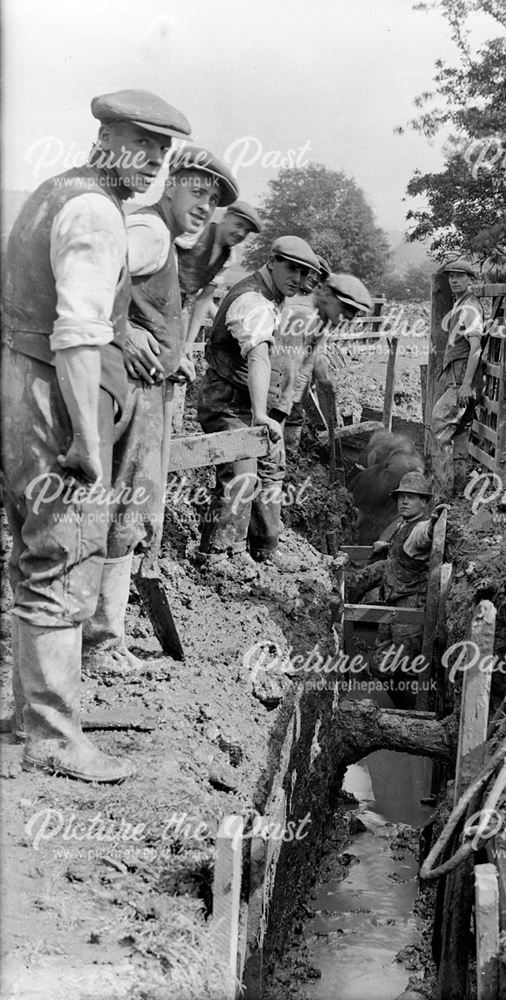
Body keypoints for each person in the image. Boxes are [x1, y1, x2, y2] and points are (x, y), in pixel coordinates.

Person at [1, 89, 191, 781]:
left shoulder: (60, 192)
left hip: (25, 379)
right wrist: (86, 438)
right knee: (59, 554)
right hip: (54, 392)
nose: (152, 164)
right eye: (141, 146)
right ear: (106, 137)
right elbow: (79, 334)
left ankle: (32, 715)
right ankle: (52, 733)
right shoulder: (93, 212)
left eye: (162, 152)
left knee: (37, 550)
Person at [82, 146, 238, 676]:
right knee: (121, 511)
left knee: (127, 512)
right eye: (198, 192)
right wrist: (123, 332)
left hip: (146, 389)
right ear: (170, 184)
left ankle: (107, 636)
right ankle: (100, 642)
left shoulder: (163, 239)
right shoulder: (148, 233)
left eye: (213, 201)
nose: (204, 207)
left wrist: (173, 360)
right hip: (126, 390)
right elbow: (90, 274)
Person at [197, 235, 320, 577]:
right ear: (272, 262)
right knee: (242, 475)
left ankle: (264, 549)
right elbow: (259, 357)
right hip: (227, 403)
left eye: (303, 272)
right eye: (291, 269)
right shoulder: (252, 299)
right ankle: (219, 554)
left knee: (271, 469)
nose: (297, 278)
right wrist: (261, 414)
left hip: (247, 402)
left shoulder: (273, 297)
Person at [367, 472, 447, 709]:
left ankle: (413, 714)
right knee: (380, 663)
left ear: (424, 502)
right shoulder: (404, 524)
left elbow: (425, 536)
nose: (404, 501)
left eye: (411, 498)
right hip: (393, 603)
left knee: (404, 667)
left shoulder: (420, 527)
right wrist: (386, 546)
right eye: (402, 497)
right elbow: (405, 546)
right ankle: (404, 708)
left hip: (409, 607)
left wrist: (435, 523)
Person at [280, 272, 373, 451]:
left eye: (354, 312)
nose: (350, 316)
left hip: (289, 402)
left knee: (287, 456)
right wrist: (280, 414)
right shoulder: (302, 317)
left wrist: (324, 381)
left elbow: (310, 362)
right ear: (326, 295)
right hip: (267, 399)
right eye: (346, 307)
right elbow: (284, 372)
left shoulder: (322, 321)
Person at [429, 260, 484, 495]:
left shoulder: (470, 308)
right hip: (457, 375)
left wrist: (466, 385)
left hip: (462, 377)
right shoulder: (461, 305)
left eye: (460, 276)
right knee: (460, 431)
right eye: (451, 276)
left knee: (439, 424)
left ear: (470, 280)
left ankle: (440, 491)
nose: (454, 280)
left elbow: (476, 348)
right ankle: (460, 490)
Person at [176, 199, 261, 347]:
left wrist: (189, 343)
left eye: (246, 231)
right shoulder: (193, 233)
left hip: (178, 309)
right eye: (238, 225)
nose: (241, 233)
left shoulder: (227, 257)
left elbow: (204, 300)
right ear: (225, 217)